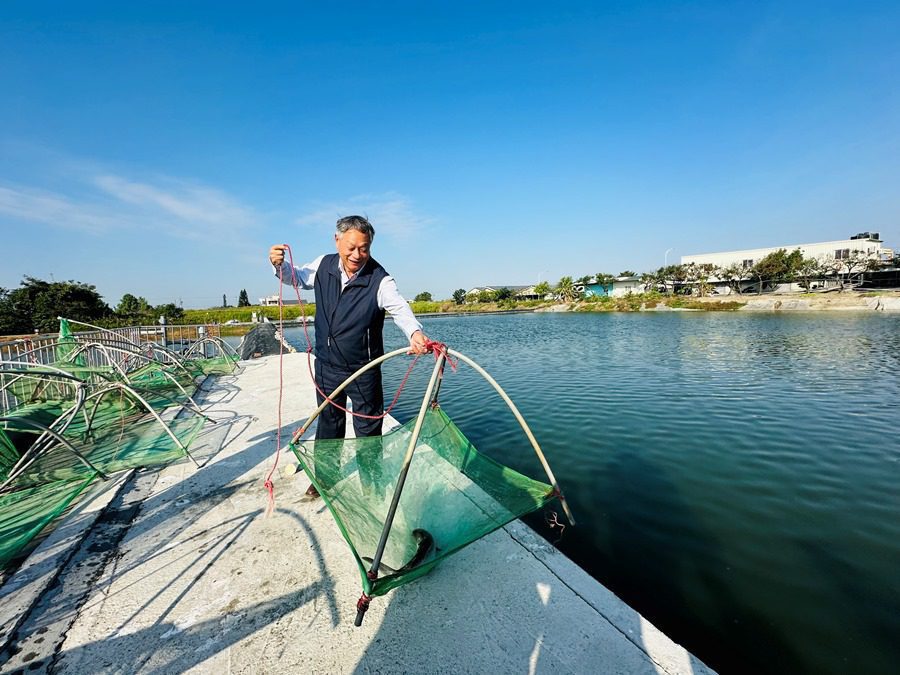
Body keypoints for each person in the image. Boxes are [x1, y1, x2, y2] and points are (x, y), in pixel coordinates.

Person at [269, 215, 430, 497]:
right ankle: (325, 480)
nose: (358, 255)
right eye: (352, 247)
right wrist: (278, 265)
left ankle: (372, 482)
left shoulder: (380, 280)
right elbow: (294, 277)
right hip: (327, 366)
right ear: (337, 240)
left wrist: (415, 334)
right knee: (329, 424)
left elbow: (400, 309)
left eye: (365, 248)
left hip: (363, 369)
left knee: (368, 430)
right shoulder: (323, 265)